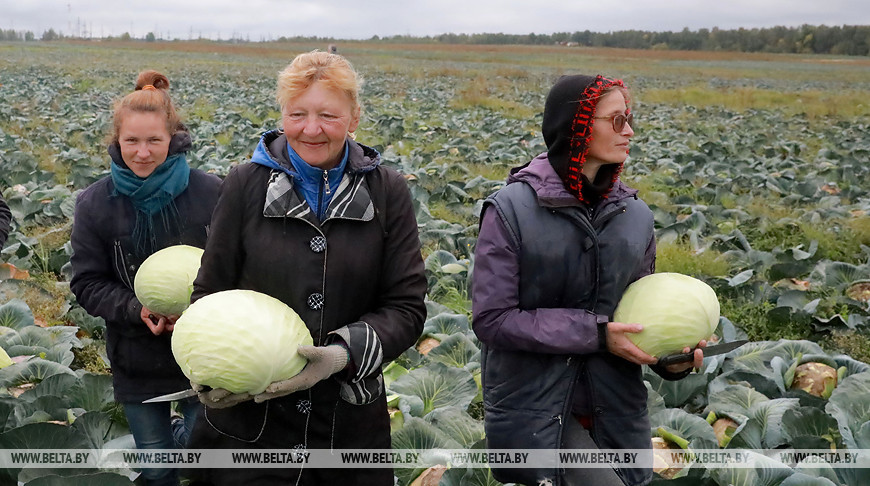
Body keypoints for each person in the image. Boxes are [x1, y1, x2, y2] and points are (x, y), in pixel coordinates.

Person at [186, 50, 427, 486]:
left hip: (347, 424)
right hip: (251, 424)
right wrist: (207, 368)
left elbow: (407, 308)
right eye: (297, 114)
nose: (311, 130)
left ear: (354, 117)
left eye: (328, 115)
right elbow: (209, 295)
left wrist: (341, 354)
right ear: (282, 114)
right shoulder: (245, 184)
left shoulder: (387, 191)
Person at [471, 74, 706, 486]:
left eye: (629, 118)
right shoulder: (511, 210)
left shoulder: (635, 216)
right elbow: (493, 319)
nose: (629, 131)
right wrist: (597, 334)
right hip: (535, 408)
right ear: (576, 127)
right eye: (616, 121)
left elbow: (637, 315)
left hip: (616, 406)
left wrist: (671, 360)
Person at [69, 70, 221, 486]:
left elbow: (234, 271)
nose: (142, 152)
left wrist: (197, 309)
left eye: (154, 141)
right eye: (131, 141)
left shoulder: (212, 194)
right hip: (135, 356)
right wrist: (138, 309)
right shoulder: (95, 204)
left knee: (197, 459)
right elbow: (87, 282)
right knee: (157, 471)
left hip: (204, 355)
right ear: (116, 142)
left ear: (173, 139)